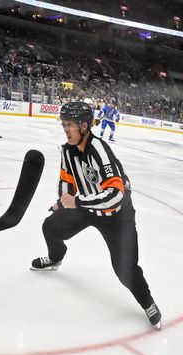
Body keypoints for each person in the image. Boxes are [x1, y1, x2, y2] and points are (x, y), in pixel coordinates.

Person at [30, 101, 161, 330]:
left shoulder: (100, 150)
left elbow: (115, 195)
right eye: (63, 124)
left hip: (116, 215)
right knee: (50, 227)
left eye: (69, 124)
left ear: (84, 126)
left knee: (125, 271)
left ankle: (148, 303)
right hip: (87, 207)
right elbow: (66, 180)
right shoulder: (67, 150)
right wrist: (63, 200)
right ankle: (56, 257)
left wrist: (77, 201)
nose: (65, 129)